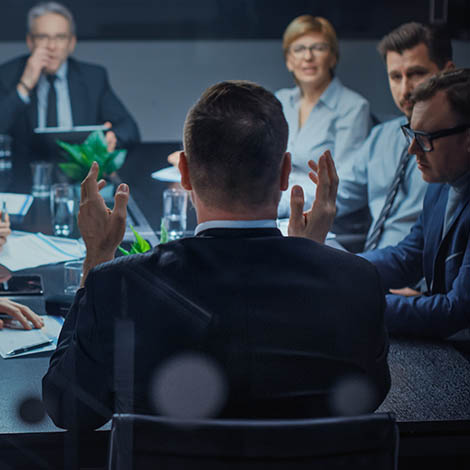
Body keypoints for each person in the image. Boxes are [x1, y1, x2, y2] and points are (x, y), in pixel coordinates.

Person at [42, 81, 390, 430]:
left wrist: (97, 258)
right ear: (285, 173)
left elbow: (67, 408)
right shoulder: (357, 282)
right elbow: (368, 396)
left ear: (185, 173)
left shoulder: (118, 286)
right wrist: (313, 256)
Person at [293, 68, 470, 339]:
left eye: (425, 139)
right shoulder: (440, 187)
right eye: (412, 135)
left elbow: (456, 310)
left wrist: (347, 303)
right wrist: (331, 271)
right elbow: (407, 258)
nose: (412, 151)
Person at [333, 22, 454, 250]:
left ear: (447, 73)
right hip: (377, 267)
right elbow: (340, 192)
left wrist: (423, 284)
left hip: (419, 277)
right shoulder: (380, 138)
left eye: (417, 73)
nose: (405, 89)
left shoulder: (456, 146)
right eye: (395, 77)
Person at [0, 1, 140, 158]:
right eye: (43, 37)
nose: (51, 46)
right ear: (30, 42)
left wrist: (113, 137)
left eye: (60, 37)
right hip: (25, 176)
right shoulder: (7, 74)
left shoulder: (93, 77)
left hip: (80, 174)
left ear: (71, 43)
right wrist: (24, 86)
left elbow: (129, 128)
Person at [276, 15, 371, 216]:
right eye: (299, 49)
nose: (308, 56)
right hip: (274, 214)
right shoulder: (280, 102)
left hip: (322, 220)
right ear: (288, 61)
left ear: (333, 57)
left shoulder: (353, 107)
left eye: (318, 48)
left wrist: (281, 205)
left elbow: (348, 189)